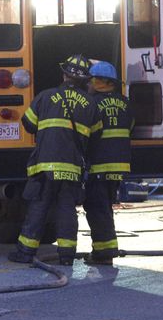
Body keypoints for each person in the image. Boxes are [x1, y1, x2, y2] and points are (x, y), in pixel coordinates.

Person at [9, 54, 99, 266]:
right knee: (67, 210)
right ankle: (67, 256)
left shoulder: (46, 96)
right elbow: (95, 135)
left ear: (64, 74)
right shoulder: (91, 104)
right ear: (85, 80)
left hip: (45, 165)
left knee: (39, 207)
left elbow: (28, 124)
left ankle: (25, 253)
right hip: (72, 167)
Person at [83, 61, 131, 266]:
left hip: (99, 164)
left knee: (96, 208)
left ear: (98, 82)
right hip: (119, 165)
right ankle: (105, 249)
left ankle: (104, 253)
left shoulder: (91, 104)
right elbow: (130, 126)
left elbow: (87, 134)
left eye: (90, 80)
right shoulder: (126, 102)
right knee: (104, 207)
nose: (87, 85)